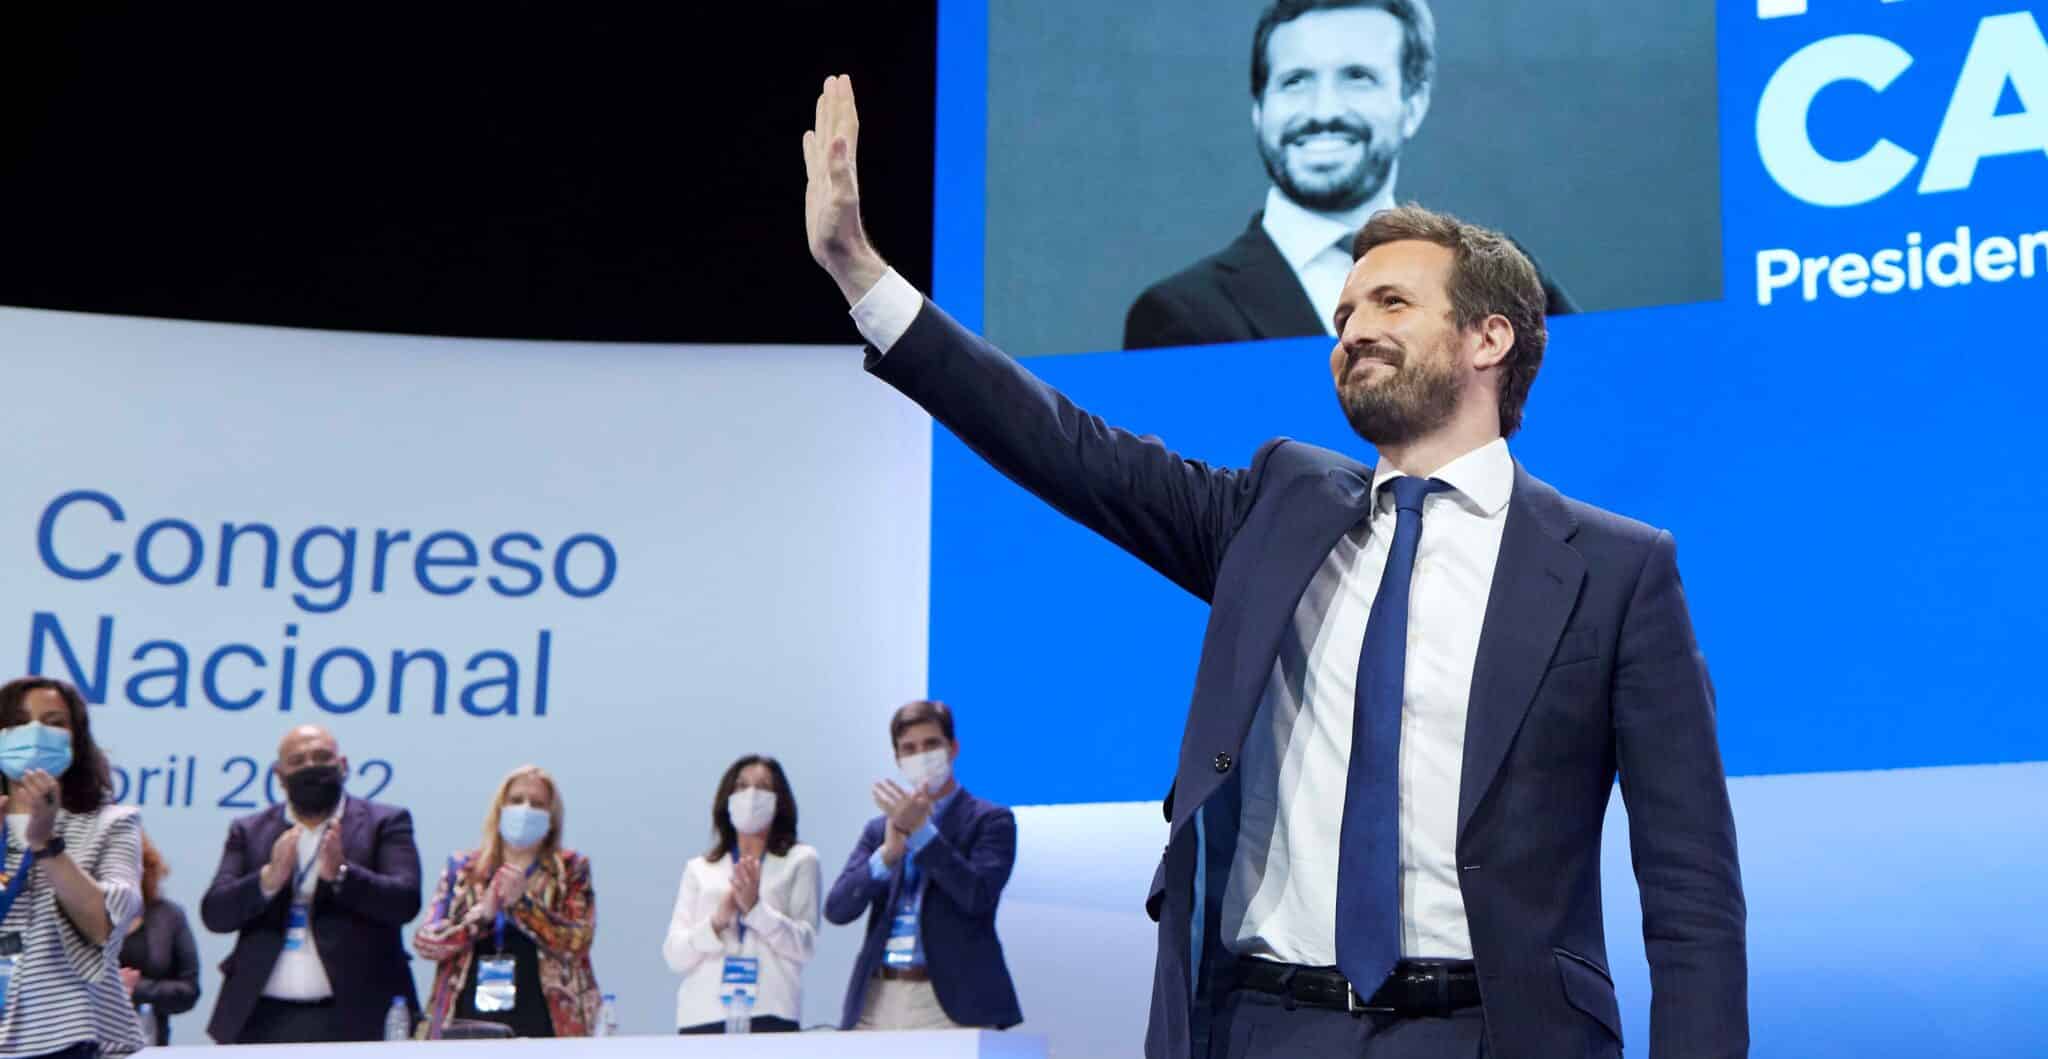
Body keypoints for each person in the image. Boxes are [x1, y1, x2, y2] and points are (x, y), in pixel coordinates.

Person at [803, 76, 1746, 1059]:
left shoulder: (1613, 570)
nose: (1350, 329)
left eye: (1389, 300)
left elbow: (1691, 894)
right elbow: (1065, 446)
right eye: (1341, 312)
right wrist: (862, 275)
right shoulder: (1278, 509)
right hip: (1259, 1025)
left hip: (1490, 1033)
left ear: (1488, 338)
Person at [1123, 0, 1575, 352]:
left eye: (1357, 77)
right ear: (1259, 108)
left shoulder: (1507, 279)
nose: (1323, 111)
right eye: (1295, 80)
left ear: (1412, 104)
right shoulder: (1178, 317)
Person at [200, 724, 421, 1044]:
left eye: (321, 757)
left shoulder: (385, 822)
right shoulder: (249, 830)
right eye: (298, 760)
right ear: (279, 774)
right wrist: (268, 880)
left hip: (358, 1016)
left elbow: (404, 901)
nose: (310, 767)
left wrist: (342, 874)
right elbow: (215, 914)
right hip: (260, 1018)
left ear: (342, 766)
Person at [823, 701, 1020, 1031]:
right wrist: (886, 855)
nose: (921, 755)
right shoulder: (879, 829)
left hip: (949, 1002)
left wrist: (921, 833)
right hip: (877, 998)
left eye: (931, 744)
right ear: (898, 759)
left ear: (952, 748)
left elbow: (977, 896)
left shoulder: (990, 820)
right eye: (909, 749)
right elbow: (838, 909)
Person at [0, 677, 148, 1059]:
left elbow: (105, 925)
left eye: (54, 722)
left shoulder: (113, 822)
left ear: (76, 738)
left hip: (66, 1036)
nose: (34, 732)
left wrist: (46, 843)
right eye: (17, 721)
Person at [413, 765, 600, 1039]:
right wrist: (481, 916)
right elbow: (427, 943)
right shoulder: (464, 868)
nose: (525, 809)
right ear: (500, 809)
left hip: (547, 1018)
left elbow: (578, 942)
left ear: (551, 818)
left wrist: (523, 906)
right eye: (516, 800)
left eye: (537, 804)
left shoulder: (570, 869)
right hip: (466, 1015)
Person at [663, 754, 819, 1034]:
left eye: (763, 787)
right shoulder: (699, 868)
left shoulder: (800, 860)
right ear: (727, 799)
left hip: (772, 1010)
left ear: (778, 800)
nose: (751, 795)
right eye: (741, 786)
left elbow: (804, 946)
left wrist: (755, 910)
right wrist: (717, 921)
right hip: (702, 1013)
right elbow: (675, 954)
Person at [119, 833, 200, 1046]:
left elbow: (188, 992)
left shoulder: (169, 916)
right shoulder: (76, 914)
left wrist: (138, 989)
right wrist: (109, 987)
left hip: (150, 1041)